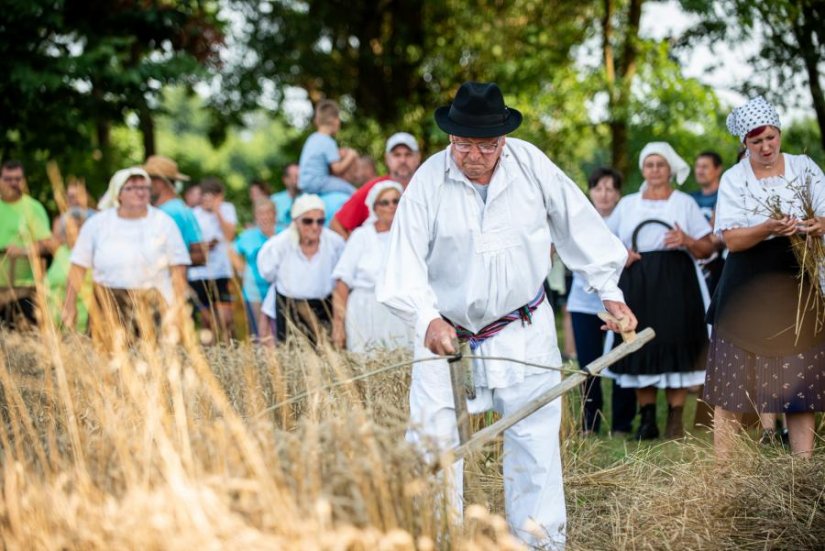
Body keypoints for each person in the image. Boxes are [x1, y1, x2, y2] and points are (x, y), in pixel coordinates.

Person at [376, 82, 635, 548]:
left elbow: (578, 223)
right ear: (450, 137)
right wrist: (425, 318)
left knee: (534, 448)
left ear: (503, 141)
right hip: (446, 336)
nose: (473, 155)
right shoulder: (428, 182)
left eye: (485, 146)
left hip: (523, 330)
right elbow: (404, 261)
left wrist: (608, 292)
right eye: (464, 144)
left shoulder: (532, 166)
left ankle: (539, 542)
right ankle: (437, 542)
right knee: (434, 451)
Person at [704, 96, 825, 459]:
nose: (766, 147)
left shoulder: (805, 168)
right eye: (756, 142)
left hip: (796, 285)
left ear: (779, 133)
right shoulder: (734, 178)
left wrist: (818, 225)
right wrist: (768, 228)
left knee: (800, 388)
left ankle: (801, 469)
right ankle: (723, 470)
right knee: (732, 387)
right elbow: (732, 240)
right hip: (746, 286)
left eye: (770, 138)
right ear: (744, 144)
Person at [606, 142, 715, 440]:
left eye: (660, 164)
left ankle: (676, 419)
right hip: (638, 281)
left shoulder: (684, 203)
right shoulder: (627, 204)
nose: (655, 170)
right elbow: (603, 241)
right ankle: (647, 419)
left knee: (676, 342)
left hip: (677, 282)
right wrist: (621, 252)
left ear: (670, 168)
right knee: (640, 343)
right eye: (649, 164)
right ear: (643, 169)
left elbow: (708, 247)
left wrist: (687, 239)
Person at [62, 167, 190, 339]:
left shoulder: (164, 223)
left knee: (151, 359)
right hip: (108, 300)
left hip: (152, 300)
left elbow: (178, 268)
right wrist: (69, 305)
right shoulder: (97, 224)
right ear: (118, 194)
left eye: (144, 188)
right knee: (105, 358)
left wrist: (177, 306)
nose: (139, 192)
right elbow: (78, 265)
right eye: (131, 188)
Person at [568, 167, 637, 436]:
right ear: (590, 191)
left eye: (610, 188)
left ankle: (622, 423)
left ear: (618, 193)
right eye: (598, 188)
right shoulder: (578, 220)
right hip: (583, 303)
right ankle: (590, 421)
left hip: (619, 303)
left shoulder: (626, 220)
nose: (604, 194)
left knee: (622, 359)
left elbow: (633, 254)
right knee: (589, 364)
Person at [331, 181, 413, 353]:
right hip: (365, 311)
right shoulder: (361, 236)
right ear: (375, 208)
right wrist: (338, 325)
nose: (391, 206)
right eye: (385, 202)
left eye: (396, 201)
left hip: (401, 312)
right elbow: (342, 281)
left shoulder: (410, 234)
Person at [257, 194, 345, 344]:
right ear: (296, 221)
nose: (315, 226)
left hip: (324, 308)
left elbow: (341, 279)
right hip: (289, 308)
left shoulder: (335, 243)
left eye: (320, 221)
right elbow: (269, 275)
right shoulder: (278, 245)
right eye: (308, 221)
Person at [330, 132, 421, 239]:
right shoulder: (374, 189)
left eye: (408, 154)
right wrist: (356, 251)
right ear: (387, 159)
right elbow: (337, 224)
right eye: (397, 155)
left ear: (418, 158)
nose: (402, 160)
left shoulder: (426, 188)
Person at [0, 160, 52, 328]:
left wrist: (22, 250)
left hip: (23, 290)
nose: (13, 183)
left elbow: (48, 245)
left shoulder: (33, 208)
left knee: (23, 346)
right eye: (8, 179)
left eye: (18, 179)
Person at [188, 178, 238, 343]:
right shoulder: (194, 213)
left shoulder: (227, 209)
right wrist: (203, 246)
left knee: (226, 318)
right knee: (207, 320)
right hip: (199, 273)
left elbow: (229, 235)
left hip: (222, 271)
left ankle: (228, 351)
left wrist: (217, 211)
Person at [145, 155, 206, 266]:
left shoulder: (168, 212)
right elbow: (200, 254)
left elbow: (200, 255)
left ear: (160, 181)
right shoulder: (184, 209)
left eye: (147, 179)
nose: (144, 185)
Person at [233, 199, 276, 337]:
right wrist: (241, 270)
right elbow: (231, 251)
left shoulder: (283, 233)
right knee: (259, 333)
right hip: (254, 292)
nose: (264, 217)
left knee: (278, 334)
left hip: (278, 291)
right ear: (255, 216)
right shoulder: (248, 236)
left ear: (274, 214)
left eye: (268, 213)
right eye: (260, 214)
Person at [298, 99, 358, 196]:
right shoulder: (328, 141)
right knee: (350, 190)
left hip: (304, 183)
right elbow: (337, 169)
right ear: (334, 120)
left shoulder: (312, 138)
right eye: (339, 119)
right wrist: (351, 155)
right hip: (318, 181)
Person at [46, 208, 92, 332]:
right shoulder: (60, 250)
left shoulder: (89, 255)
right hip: (51, 318)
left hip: (80, 319)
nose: (73, 230)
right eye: (69, 226)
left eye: (78, 226)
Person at [271, 163, 300, 233]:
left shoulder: (309, 199)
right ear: (285, 179)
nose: (299, 180)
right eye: (296, 176)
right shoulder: (274, 200)